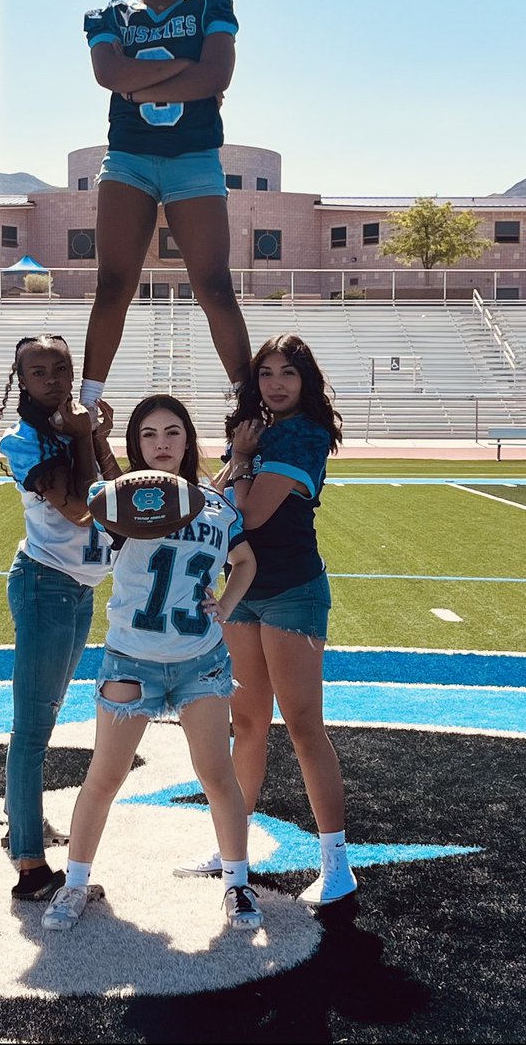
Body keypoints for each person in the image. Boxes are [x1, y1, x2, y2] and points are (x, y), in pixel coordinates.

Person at [41, 395, 263, 932]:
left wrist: (226, 605)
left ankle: (238, 882)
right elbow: (95, 496)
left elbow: (245, 561)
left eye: (171, 432)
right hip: (132, 660)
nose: (161, 443)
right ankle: (74, 885)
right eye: (148, 435)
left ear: (188, 439)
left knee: (217, 776)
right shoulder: (119, 502)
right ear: (135, 445)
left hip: (199, 661)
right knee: (104, 777)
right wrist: (90, 437)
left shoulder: (216, 506)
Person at [176, 334, 358, 907]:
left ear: (307, 381)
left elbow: (245, 512)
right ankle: (235, 850)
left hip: (292, 592)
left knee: (303, 725)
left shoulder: (302, 433)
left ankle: (337, 863)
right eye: (267, 374)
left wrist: (242, 458)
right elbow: (216, 500)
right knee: (247, 724)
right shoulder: (262, 433)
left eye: (289, 373)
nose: (276, 383)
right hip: (243, 588)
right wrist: (239, 457)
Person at [77, 0, 251, 420]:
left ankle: (248, 406)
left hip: (194, 159)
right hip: (128, 159)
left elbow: (216, 72)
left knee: (214, 284)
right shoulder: (110, 15)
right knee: (113, 282)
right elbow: (109, 73)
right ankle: (87, 405)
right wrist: (184, 67)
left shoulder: (210, 8)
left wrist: (143, 83)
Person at [0, 334, 118, 902]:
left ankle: (17, 823)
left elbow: (118, 496)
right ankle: (29, 866)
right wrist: (82, 440)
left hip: (78, 587)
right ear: (22, 380)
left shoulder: (71, 428)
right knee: (34, 730)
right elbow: (79, 510)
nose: (52, 379)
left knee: (43, 715)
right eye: (39, 371)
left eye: (61, 368)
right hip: (47, 584)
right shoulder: (20, 441)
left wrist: (96, 437)